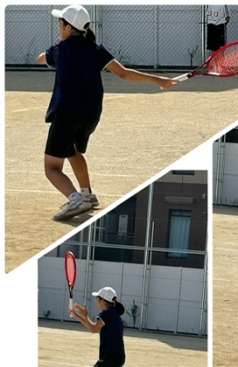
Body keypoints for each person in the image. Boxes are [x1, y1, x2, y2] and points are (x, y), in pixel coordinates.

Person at [37, 4, 178, 221]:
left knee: (51, 167)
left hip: (67, 114)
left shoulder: (60, 49)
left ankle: (76, 200)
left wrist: (46, 57)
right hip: (91, 114)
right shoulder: (95, 49)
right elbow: (124, 73)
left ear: (68, 27)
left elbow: (41, 58)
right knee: (73, 151)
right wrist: (159, 80)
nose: (59, 26)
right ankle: (87, 195)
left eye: (60, 23)